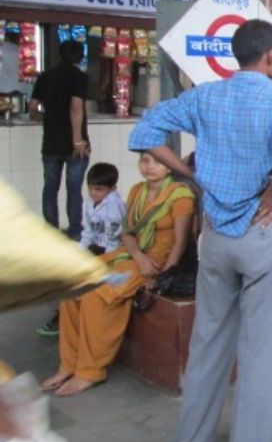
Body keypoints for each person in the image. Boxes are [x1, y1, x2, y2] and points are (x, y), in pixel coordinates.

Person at [129, 19, 272, 442]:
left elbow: (147, 130)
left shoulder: (206, 97)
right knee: (260, 354)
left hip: (215, 235)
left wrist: (189, 179)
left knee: (208, 343)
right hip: (263, 230)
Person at [40, 151, 195, 397]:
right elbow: (126, 234)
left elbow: (180, 242)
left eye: (157, 162)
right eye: (145, 160)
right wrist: (138, 255)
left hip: (154, 267)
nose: (149, 166)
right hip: (130, 257)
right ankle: (68, 364)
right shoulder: (137, 191)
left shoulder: (180, 195)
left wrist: (162, 276)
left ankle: (90, 371)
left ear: (169, 168)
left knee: (96, 294)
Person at [37, 162, 127, 338]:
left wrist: (105, 260)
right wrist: (80, 251)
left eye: (99, 189)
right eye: (91, 188)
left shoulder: (114, 206)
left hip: (111, 249)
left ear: (113, 189)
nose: (94, 193)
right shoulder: (89, 202)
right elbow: (88, 231)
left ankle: (74, 321)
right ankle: (64, 318)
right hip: (96, 246)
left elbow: (112, 238)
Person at [29, 40, 90, 240]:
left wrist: (42, 120)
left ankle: (51, 233)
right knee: (74, 189)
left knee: (50, 187)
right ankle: (74, 233)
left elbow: (33, 107)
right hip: (75, 145)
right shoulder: (79, 77)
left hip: (51, 142)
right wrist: (77, 140)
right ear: (80, 56)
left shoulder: (45, 77)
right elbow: (76, 106)